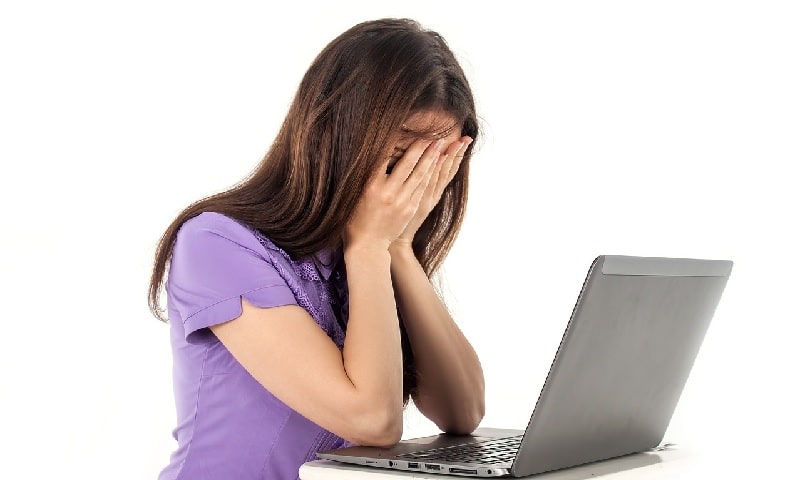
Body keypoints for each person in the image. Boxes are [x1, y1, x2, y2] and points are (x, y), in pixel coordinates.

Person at [148, 18, 484, 480]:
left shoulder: (366, 253)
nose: (415, 182)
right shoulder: (215, 244)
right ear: (335, 133)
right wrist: (370, 247)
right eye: (401, 158)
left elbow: (462, 412)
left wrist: (400, 249)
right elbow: (372, 420)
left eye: (435, 163)